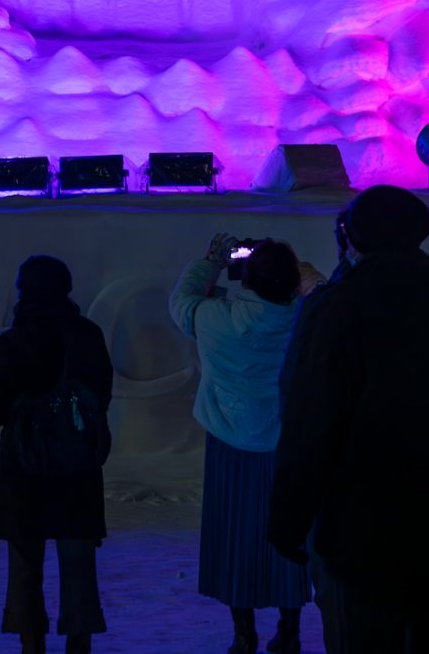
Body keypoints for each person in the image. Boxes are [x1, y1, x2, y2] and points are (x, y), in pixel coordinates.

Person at [270, 185, 429, 654]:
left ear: (351, 236)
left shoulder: (334, 309)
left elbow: (309, 421)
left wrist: (289, 517)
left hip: (361, 531)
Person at [170, 235, 317, 654]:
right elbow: (323, 290)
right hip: (287, 445)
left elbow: (183, 299)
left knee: (233, 535)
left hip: (229, 443)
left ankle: (243, 633)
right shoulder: (308, 318)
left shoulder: (215, 318)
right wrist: (295, 263)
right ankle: (290, 630)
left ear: (247, 279)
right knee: (291, 533)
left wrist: (213, 259)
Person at [0, 256, 115, 654]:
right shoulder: (87, 335)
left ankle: (30, 640)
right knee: (78, 560)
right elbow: (101, 396)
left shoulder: (11, 341)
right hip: (77, 463)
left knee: (25, 561)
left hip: (24, 463)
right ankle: (79, 638)